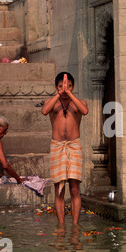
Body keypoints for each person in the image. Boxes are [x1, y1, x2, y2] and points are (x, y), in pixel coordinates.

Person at [41, 72, 89, 225]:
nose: (64, 89)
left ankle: (75, 224)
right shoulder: (52, 102)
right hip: (57, 146)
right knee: (59, 189)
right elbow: (44, 111)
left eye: (68, 86)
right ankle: (61, 224)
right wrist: (59, 94)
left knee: (74, 189)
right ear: (56, 87)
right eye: (61, 86)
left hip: (74, 146)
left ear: (72, 87)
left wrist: (69, 93)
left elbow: (85, 111)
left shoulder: (79, 102)